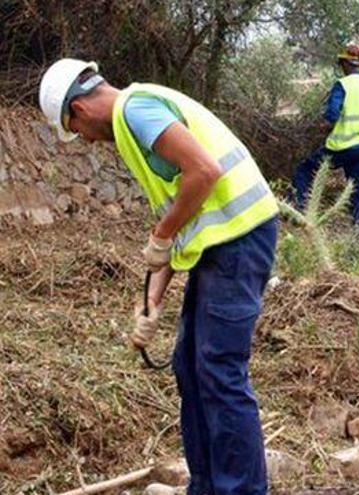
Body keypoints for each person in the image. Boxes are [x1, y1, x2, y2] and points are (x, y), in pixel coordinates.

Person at [39, 58, 279, 495]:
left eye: (77, 131)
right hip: (220, 247)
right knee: (190, 366)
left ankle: (240, 489)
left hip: (240, 239)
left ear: (78, 109)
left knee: (219, 369)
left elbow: (204, 172)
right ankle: (207, 485)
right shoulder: (138, 129)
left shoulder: (136, 110)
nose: (87, 141)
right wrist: (151, 306)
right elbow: (172, 225)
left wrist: (162, 233)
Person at [291, 43, 359, 231]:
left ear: (346, 64)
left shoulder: (342, 85)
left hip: (341, 148)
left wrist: (323, 123)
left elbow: (331, 114)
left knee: (305, 170)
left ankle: (297, 212)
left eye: (341, 64)